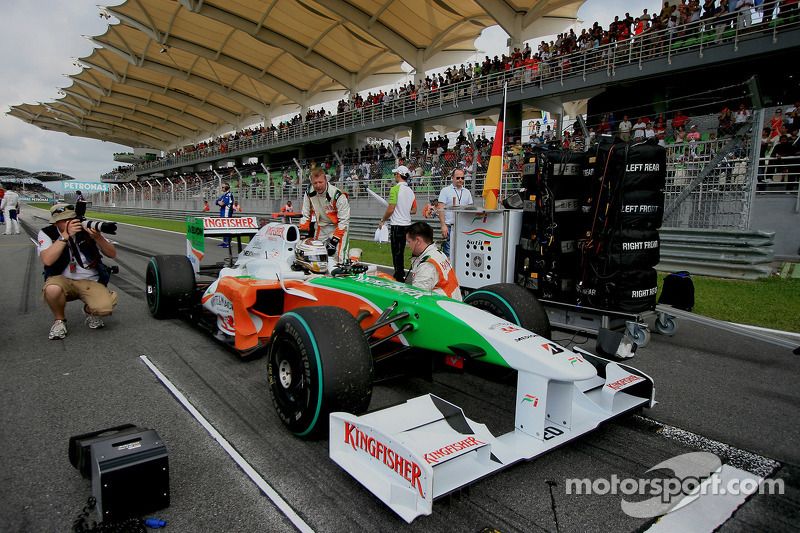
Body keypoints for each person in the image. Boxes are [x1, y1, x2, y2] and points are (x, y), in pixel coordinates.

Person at [37, 203, 117, 340]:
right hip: (62, 279)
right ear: (56, 223)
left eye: (71, 218)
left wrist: (98, 237)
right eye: (64, 220)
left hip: (90, 280)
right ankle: (59, 320)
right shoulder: (47, 232)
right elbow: (47, 260)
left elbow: (112, 254)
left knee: (105, 308)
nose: (70, 222)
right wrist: (64, 236)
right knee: (52, 289)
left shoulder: (86, 228)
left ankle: (89, 310)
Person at [298, 167, 351, 262]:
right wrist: (303, 235)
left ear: (326, 180)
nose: (318, 185)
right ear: (312, 182)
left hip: (338, 227)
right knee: (315, 255)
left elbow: (344, 221)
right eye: (315, 183)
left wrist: (334, 241)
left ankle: (352, 258)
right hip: (321, 226)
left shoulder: (337, 195)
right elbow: (305, 214)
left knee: (341, 258)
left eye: (320, 182)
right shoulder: (309, 192)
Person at [405, 222, 462, 301]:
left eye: (409, 242)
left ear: (418, 240)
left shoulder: (427, 264)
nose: (408, 246)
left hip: (444, 307)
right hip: (453, 302)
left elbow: (416, 298)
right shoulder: (438, 253)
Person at [379, 165, 417, 281]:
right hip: (407, 225)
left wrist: (383, 220)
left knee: (397, 253)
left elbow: (391, 209)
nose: (394, 176)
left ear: (399, 175)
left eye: (395, 174)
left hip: (397, 225)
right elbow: (414, 210)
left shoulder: (395, 189)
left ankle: (399, 277)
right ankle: (406, 274)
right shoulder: (411, 191)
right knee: (404, 251)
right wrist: (404, 210)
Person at [437, 168, 474, 259]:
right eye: (458, 178)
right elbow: (440, 208)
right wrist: (443, 225)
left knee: (463, 253)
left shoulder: (467, 192)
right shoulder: (445, 191)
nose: (460, 180)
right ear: (452, 178)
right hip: (450, 226)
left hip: (463, 227)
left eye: (462, 178)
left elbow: (470, 210)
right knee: (449, 253)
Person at [215, 182, 234, 248]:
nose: (222, 188)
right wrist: (218, 202)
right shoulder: (224, 195)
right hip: (223, 214)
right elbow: (217, 202)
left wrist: (219, 202)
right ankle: (224, 242)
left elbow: (222, 203)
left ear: (227, 187)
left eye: (223, 187)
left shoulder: (229, 194)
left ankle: (228, 243)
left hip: (227, 214)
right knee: (223, 228)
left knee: (227, 228)